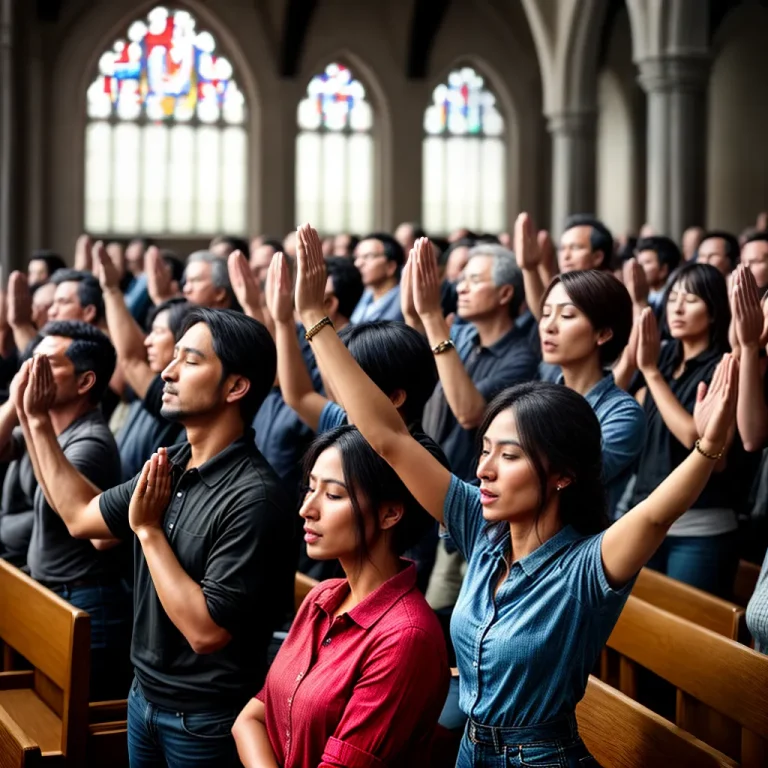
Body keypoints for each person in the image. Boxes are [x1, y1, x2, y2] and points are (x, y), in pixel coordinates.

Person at [292, 220, 739, 767]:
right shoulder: (481, 531)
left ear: (561, 475)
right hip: (470, 751)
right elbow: (387, 438)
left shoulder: (585, 567)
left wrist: (708, 448)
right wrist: (314, 319)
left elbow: (651, 516)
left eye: (508, 457)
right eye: (484, 452)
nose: (485, 470)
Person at [18, 308, 296, 767]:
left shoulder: (255, 498)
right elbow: (80, 517)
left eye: (189, 361)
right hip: (143, 696)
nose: (166, 371)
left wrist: (147, 531)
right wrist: (36, 421)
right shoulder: (174, 463)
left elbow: (206, 632)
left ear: (235, 386)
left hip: (204, 719)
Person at [232, 425, 449, 767]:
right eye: (311, 488)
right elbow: (250, 720)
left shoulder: (406, 638)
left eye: (333, 495)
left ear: (390, 513)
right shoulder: (322, 597)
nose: (307, 508)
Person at [267, 248, 447, 588]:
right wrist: (283, 320)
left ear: (394, 398)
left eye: (352, 375)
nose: (336, 382)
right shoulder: (349, 427)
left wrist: (312, 312)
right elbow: (300, 395)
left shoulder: (419, 458)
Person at [9, 322, 131, 699]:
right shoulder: (55, 429)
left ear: (84, 382)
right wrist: (20, 408)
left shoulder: (89, 442)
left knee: (73, 726)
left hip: (84, 602)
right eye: (31, 359)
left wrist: (34, 419)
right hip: (57, 594)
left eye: (45, 364)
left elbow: (95, 533)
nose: (32, 370)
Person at [628, 264, 743, 597]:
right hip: (646, 517)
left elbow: (702, 444)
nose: (676, 307)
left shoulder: (723, 364)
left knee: (683, 642)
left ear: (713, 312)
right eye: (673, 297)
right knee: (642, 635)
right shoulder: (662, 356)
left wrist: (650, 374)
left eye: (690, 299)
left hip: (700, 528)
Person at [539, 270, 646, 516]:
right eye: (545, 314)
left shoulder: (623, 414)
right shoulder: (537, 396)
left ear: (604, 333)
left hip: (585, 548)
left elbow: (571, 479)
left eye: (566, 315)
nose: (549, 326)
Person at [95, 242, 193, 479]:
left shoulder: (177, 392)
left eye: (157, 333)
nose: (147, 342)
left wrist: (112, 291)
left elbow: (130, 357)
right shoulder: (154, 378)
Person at [350, 233, 405, 323]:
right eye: (357, 257)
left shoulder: (404, 304)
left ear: (390, 266)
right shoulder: (366, 294)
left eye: (368, 256)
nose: (358, 263)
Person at [635, 236, 682, 310]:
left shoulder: (674, 301)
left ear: (663, 269)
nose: (639, 267)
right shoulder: (644, 297)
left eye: (647, 262)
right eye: (639, 262)